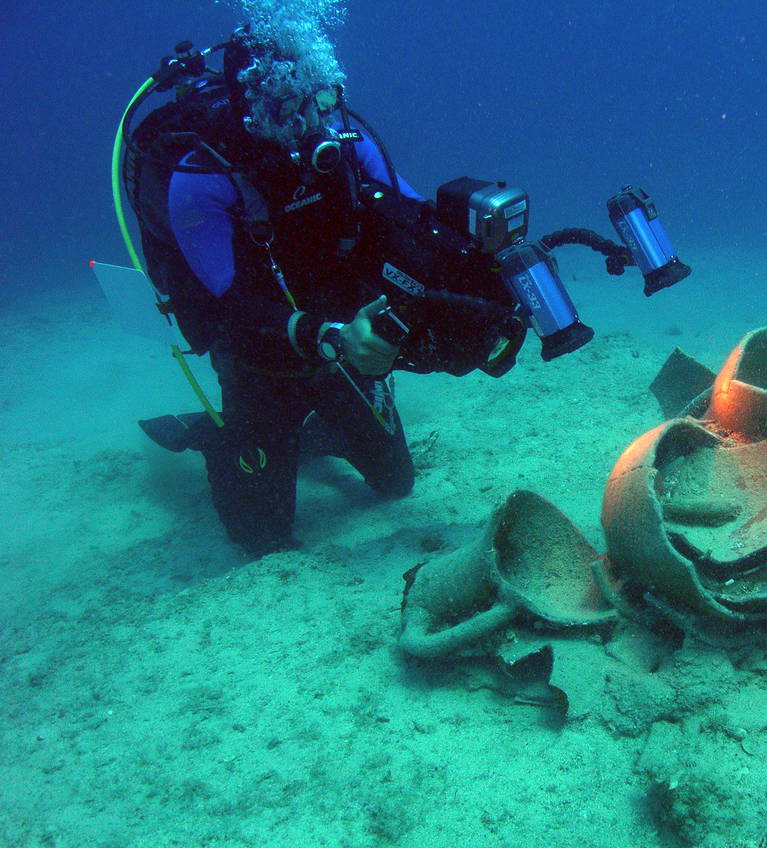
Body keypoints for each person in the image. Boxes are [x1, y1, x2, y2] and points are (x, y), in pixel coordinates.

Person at [134, 30, 496, 556]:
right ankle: (221, 435)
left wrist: (482, 265)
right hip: (259, 359)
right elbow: (229, 304)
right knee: (261, 538)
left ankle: (316, 429)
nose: (307, 122)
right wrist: (327, 335)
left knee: (395, 482)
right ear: (250, 107)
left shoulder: (348, 144)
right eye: (286, 106)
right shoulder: (200, 178)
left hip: (341, 347)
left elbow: (415, 224)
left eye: (318, 101)